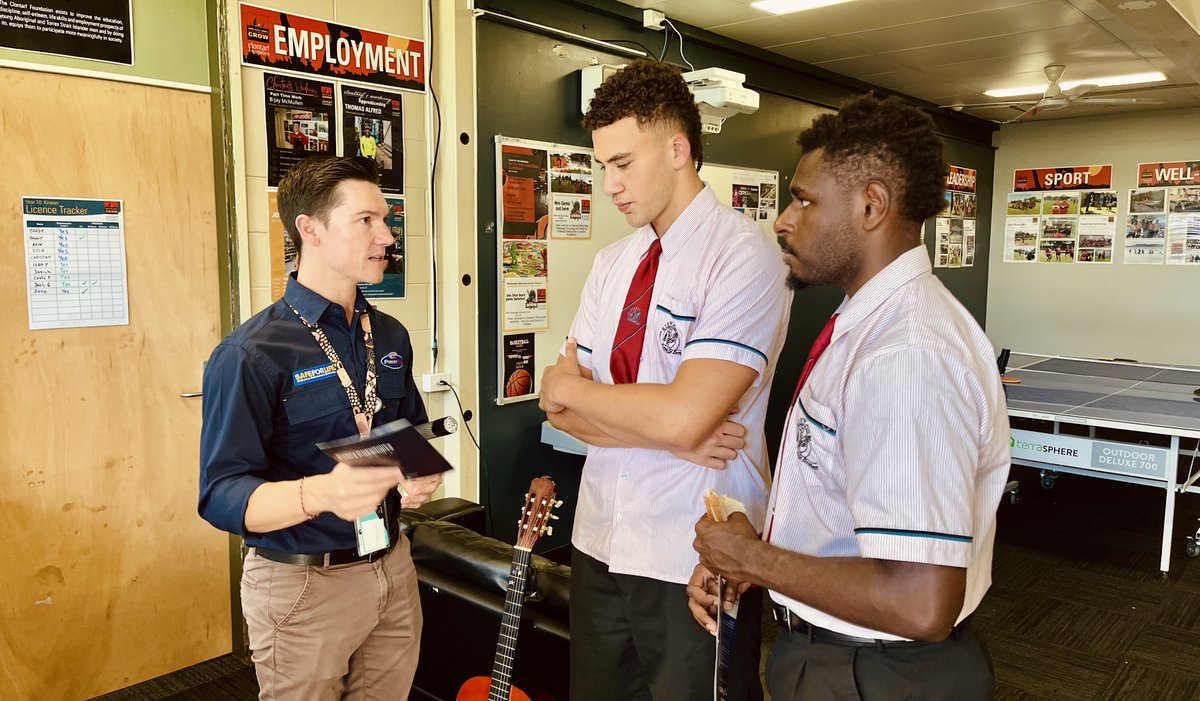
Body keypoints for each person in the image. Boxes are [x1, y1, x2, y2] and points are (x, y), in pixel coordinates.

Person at [688, 94, 1010, 701]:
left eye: (805, 200)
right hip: (841, 658)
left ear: (871, 205)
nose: (783, 219)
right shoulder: (869, 325)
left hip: (874, 675)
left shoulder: (905, 357)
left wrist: (754, 562)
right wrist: (750, 553)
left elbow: (919, 601)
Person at [538, 60, 791, 701]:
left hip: (694, 555)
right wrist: (669, 435)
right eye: (602, 168)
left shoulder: (743, 255)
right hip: (600, 541)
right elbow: (555, 408)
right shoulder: (611, 262)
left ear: (678, 148)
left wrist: (584, 394)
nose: (611, 185)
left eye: (623, 163)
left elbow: (682, 415)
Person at [199, 156, 443, 700]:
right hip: (302, 584)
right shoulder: (250, 353)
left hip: (392, 566)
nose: (387, 234)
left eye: (386, 218)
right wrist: (324, 493)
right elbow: (220, 496)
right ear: (309, 229)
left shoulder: (392, 334)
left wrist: (418, 474)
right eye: (366, 221)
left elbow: (410, 433)